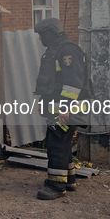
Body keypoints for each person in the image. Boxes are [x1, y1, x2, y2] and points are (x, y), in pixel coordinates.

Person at [34, 17, 88, 200]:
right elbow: (51, 82)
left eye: (41, 35)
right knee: (61, 142)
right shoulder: (55, 50)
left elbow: (73, 83)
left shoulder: (68, 50)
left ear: (50, 32)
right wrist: (44, 103)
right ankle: (69, 180)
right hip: (59, 108)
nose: (40, 39)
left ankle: (57, 186)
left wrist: (66, 109)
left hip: (68, 109)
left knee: (56, 144)